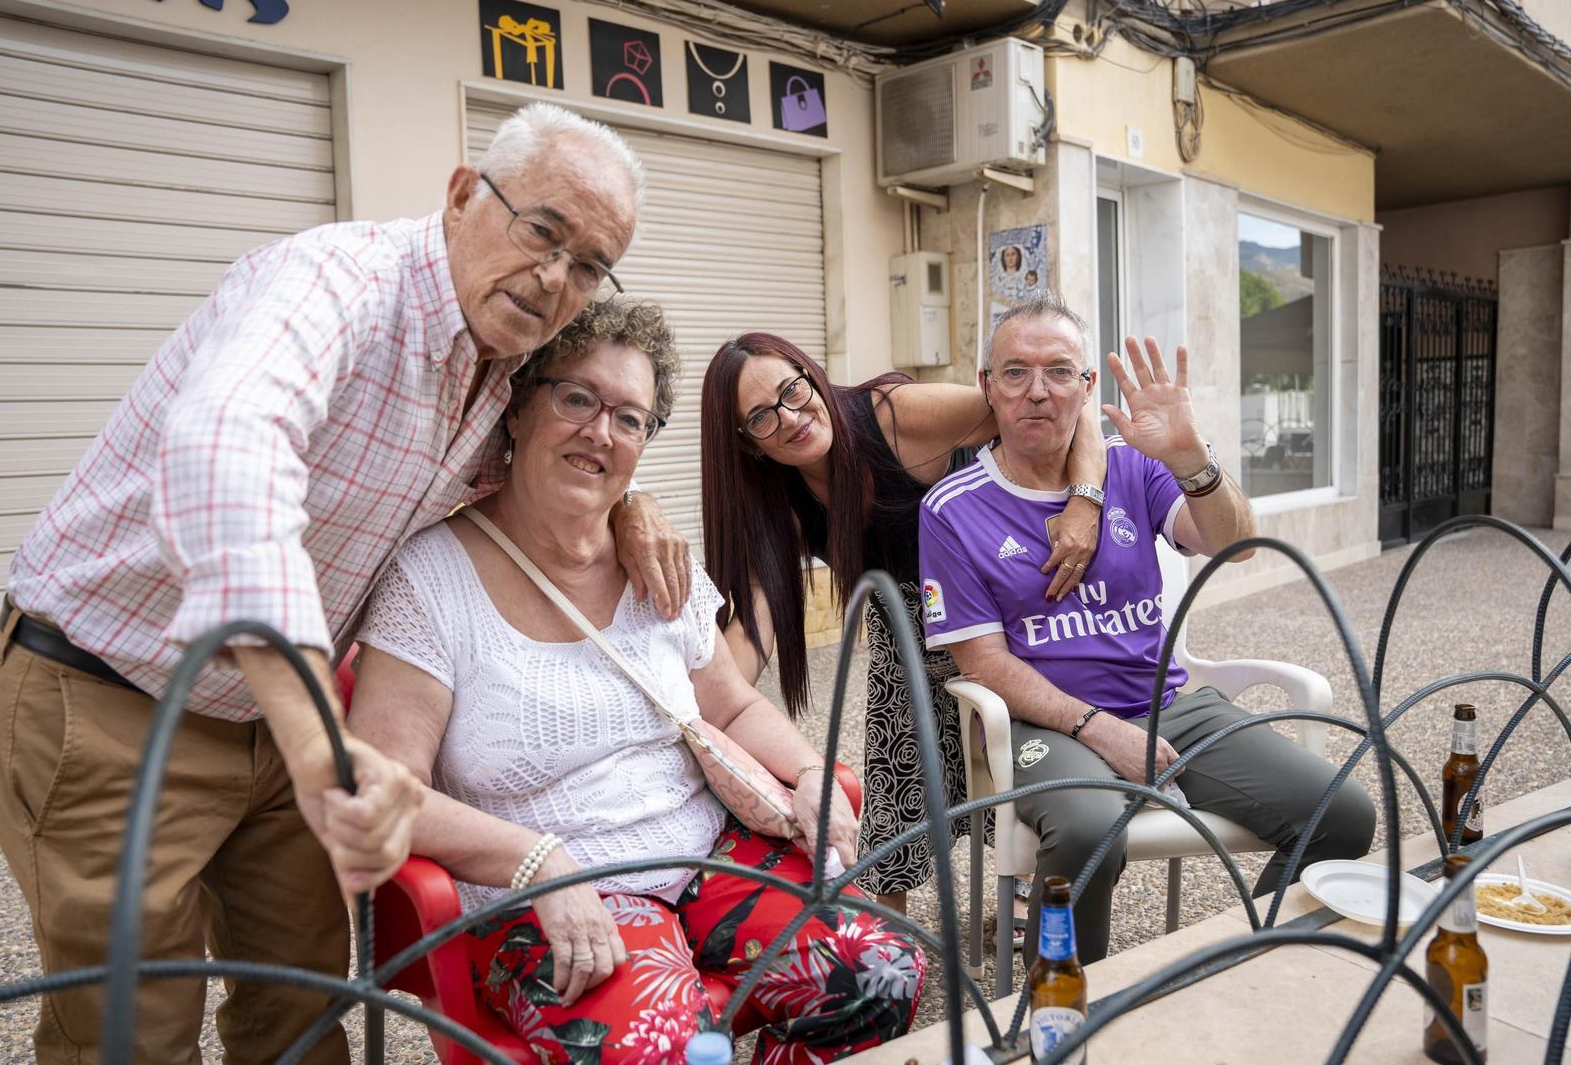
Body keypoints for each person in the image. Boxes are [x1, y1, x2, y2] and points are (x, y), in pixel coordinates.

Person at [0, 103, 694, 1065]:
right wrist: (319, 736)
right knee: (134, 1029)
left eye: (591, 264)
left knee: (305, 1009)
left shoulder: (501, 368)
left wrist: (627, 507)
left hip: (273, 724)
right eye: (541, 232)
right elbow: (226, 447)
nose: (556, 279)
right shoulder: (334, 283)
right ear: (461, 195)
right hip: (107, 693)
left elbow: (549, 463)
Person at [350, 300, 924, 1064]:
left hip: (708, 856)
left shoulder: (659, 563)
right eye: (578, 398)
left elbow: (730, 703)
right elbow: (381, 783)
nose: (601, 433)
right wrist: (536, 859)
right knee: (663, 1045)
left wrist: (812, 770)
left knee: (880, 973)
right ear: (518, 407)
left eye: (630, 417)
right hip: (548, 894)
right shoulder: (429, 579)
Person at [919, 292, 1375, 966]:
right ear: (988, 387)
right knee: (1088, 829)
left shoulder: (1132, 464)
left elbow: (1237, 545)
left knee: (1344, 813)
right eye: (1015, 372)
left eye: (1059, 372)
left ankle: (1256, 966)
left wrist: (1191, 456)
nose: (1037, 392)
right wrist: (1100, 730)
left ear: (1087, 385)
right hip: (1045, 728)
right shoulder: (953, 509)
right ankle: (1069, 1007)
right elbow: (983, 663)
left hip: (1167, 708)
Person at [700, 335, 1107, 926]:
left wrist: (1085, 501)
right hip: (904, 630)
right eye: (762, 417)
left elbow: (1060, 409)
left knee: (1016, 754)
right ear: (747, 444)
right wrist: (700, 711)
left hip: (998, 607)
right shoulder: (778, 497)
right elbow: (755, 624)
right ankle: (883, 936)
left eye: (793, 390)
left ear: (812, 377)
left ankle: (1033, 891)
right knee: (897, 771)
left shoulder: (891, 415)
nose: (790, 417)